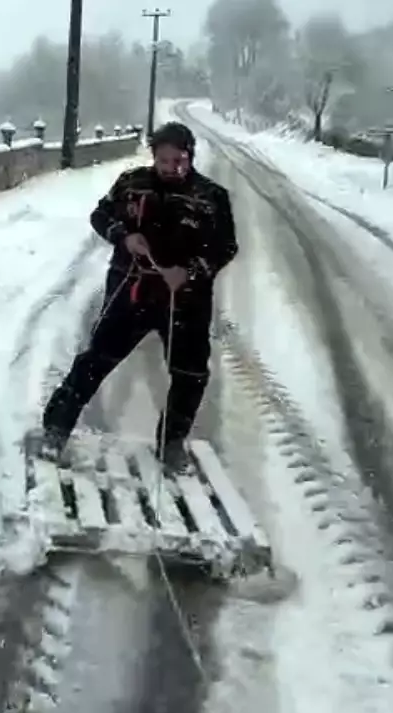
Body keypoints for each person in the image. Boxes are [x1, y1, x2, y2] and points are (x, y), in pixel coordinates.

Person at [39, 121, 238, 472]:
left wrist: (190, 271)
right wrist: (123, 236)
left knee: (190, 375)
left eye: (180, 160)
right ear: (153, 157)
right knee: (95, 360)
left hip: (185, 300)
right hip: (132, 290)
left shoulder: (212, 197)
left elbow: (226, 247)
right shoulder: (131, 184)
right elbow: (100, 215)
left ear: (190, 156)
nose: (172, 168)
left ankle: (172, 444)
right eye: (164, 161)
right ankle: (56, 428)